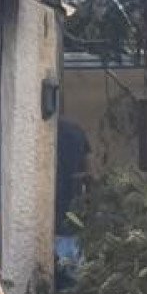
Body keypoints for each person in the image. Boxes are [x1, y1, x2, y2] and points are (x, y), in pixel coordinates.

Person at [54, 116, 90, 282]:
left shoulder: (52, 132)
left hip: (53, 218)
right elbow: (89, 171)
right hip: (73, 216)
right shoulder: (77, 133)